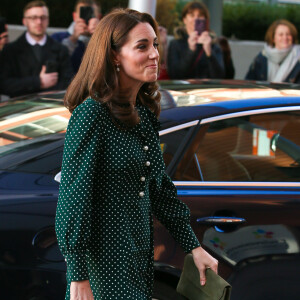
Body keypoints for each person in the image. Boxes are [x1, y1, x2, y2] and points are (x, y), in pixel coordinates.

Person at [55, 8, 218, 300]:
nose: (155, 54)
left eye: (155, 44)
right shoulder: (92, 115)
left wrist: (194, 247)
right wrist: (78, 277)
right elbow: (73, 199)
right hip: (102, 270)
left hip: (137, 261)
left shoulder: (142, 114)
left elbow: (160, 190)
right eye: (142, 46)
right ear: (114, 55)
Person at [0, 1, 72, 98]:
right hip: (21, 109)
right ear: (24, 21)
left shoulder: (61, 49)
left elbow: (68, 81)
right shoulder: (10, 51)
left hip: (51, 107)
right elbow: (4, 85)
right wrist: (38, 82)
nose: (39, 22)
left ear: (48, 20)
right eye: (33, 18)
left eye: (43, 17)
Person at [167, 1, 225, 80]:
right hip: (183, 90)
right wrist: (191, 51)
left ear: (206, 20)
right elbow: (175, 75)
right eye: (192, 15)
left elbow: (220, 77)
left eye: (200, 15)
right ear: (184, 19)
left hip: (206, 90)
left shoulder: (214, 45)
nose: (196, 19)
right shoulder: (175, 44)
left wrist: (209, 53)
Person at [52, 0, 101, 73]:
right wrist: (73, 39)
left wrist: (101, 36)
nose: (87, 18)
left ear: (99, 17)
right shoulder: (57, 37)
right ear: (74, 16)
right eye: (83, 13)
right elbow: (53, 62)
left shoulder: (106, 40)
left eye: (91, 14)